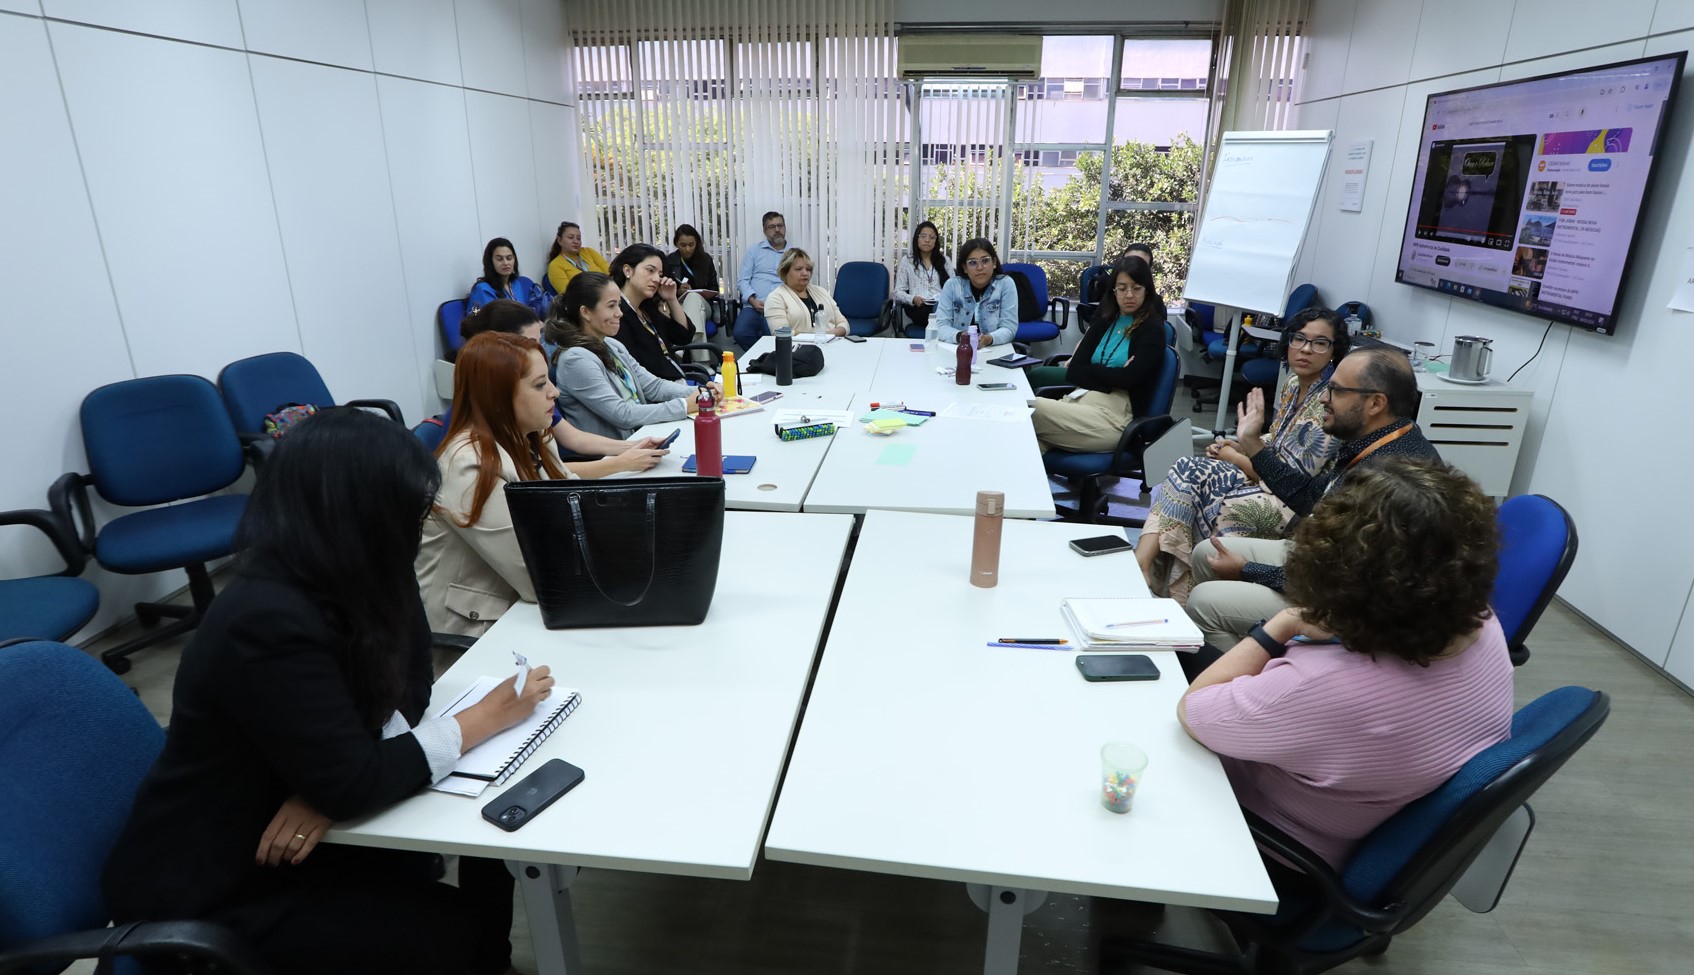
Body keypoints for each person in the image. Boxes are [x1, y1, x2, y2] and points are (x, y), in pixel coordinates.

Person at [102, 408, 556, 975]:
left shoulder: (365, 571)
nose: (417, 528)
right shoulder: (264, 619)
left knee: (476, 863)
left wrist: (333, 784)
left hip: (293, 827)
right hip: (216, 883)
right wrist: (478, 721)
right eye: (408, 512)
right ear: (356, 514)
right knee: (455, 924)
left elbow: (412, 684)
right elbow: (355, 777)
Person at [1178, 457, 1513, 869]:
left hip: (1271, 850)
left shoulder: (1322, 686)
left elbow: (1192, 711)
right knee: (1185, 653)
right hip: (1371, 807)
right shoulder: (1482, 621)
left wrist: (1284, 623)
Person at [1185, 347, 1440, 649]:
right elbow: (1312, 499)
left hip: (1353, 606)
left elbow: (1341, 583)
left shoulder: (1389, 479)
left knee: (1204, 603)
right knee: (1206, 553)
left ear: (1375, 403)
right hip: (1331, 563)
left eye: (1336, 391)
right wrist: (1251, 444)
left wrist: (1246, 570)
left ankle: (1261, 676)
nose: (1323, 398)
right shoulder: (1379, 440)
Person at [1137, 308, 1348, 601]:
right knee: (1185, 469)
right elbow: (1276, 439)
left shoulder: (1329, 401)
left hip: (1292, 504)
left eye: (1320, 343)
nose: (1306, 349)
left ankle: (1179, 593)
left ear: (1335, 351)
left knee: (1203, 493)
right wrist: (1238, 445)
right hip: (1264, 475)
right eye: (1299, 339)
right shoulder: (1292, 384)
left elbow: (1290, 481)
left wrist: (1235, 457)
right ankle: (1145, 567)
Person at [451, 300, 669, 478]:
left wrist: (633, 447)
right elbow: (542, 474)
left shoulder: (533, 407)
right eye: (528, 342)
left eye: (538, 340)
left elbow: (569, 445)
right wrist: (622, 462)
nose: (538, 349)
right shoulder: (473, 453)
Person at [549, 272, 719, 441]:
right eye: (611, 306)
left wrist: (702, 392)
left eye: (619, 305)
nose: (620, 313)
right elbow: (622, 414)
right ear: (586, 312)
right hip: (615, 452)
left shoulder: (612, 345)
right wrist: (684, 405)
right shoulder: (575, 360)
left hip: (640, 439)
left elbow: (653, 386)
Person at [1028, 257, 1166, 453]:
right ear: (1114, 291)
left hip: (1114, 419)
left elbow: (1130, 379)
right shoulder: (1104, 320)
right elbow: (1075, 371)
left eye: (1136, 288)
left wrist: (1094, 372)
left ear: (1147, 291)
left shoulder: (1152, 329)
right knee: (1027, 444)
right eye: (1122, 288)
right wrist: (1116, 375)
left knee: (1029, 409)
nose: (1129, 295)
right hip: (1078, 402)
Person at [610, 242, 693, 383]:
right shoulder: (618, 314)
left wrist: (672, 299)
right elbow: (634, 372)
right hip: (656, 390)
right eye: (650, 270)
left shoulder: (647, 309)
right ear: (628, 271)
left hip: (676, 383)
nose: (656, 279)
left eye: (659, 274)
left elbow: (684, 336)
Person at [932, 237, 1018, 350]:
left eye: (985, 261)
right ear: (965, 267)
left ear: (994, 263)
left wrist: (989, 339)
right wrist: (961, 336)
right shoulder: (952, 285)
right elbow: (940, 326)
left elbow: (1009, 328)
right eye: (972, 263)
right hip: (957, 349)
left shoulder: (1005, 284)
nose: (980, 267)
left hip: (994, 349)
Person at [732, 210, 790, 350]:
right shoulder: (754, 251)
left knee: (776, 336)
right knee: (740, 333)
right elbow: (743, 281)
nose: (777, 230)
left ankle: (774, 359)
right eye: (772, 227)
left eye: (780, 225)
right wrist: (753, 301)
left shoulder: (794, 253)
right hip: (754, 306)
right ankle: (764, 357)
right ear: (765, 231)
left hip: (782, 307)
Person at [763, 247, 850, 337]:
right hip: (797, 345)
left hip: (833, 342)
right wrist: (820, 338)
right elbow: (781, 333)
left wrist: (828, 336)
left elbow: (844, 323)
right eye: (798, 269)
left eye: (808, 269)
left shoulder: (821, 291)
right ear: (785, 272)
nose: (805, 273)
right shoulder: (776, 297)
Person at [664, 223, 723, 341]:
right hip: (678, 306)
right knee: (699, 315)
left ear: (697, 243)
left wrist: (700, 293)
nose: (688, 249)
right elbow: (663, 291)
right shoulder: (669, 261)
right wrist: (678, 292)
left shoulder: (705, 260)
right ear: (676, 244)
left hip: (704, 304)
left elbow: (714, 288)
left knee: (693, 297)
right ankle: (698, 349)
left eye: (691, 245)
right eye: (683, 245)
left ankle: (686, 341)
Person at [467, 237, 547, 316]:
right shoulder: (482, 289)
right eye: (499, 259)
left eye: (509, 258)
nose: (506, 263)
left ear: (514, 259)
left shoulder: (517, 284)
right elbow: (486, 320)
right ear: (490, 262)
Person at [893, 221, 948, 334]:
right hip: (918, 307)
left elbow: (954, 288)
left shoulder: (945, 261)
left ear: (936, 241)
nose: (927, 240)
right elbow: (898, 292)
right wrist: (912, 299)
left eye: (932, 237)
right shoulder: (907, 261)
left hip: (940, 305)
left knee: (942, 309)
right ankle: (942, 329)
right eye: (923, 236)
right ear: (916, 239)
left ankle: (942, 327)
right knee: (927, 312)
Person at [545, 221, 610, 294]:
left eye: (578, 238)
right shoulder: (555, 265)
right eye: (570, 237)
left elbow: (610, 273)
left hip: (608, 292)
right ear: (559, 240)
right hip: (587, 299)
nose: (576, 241)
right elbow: (569, 294)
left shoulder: (589, 252)